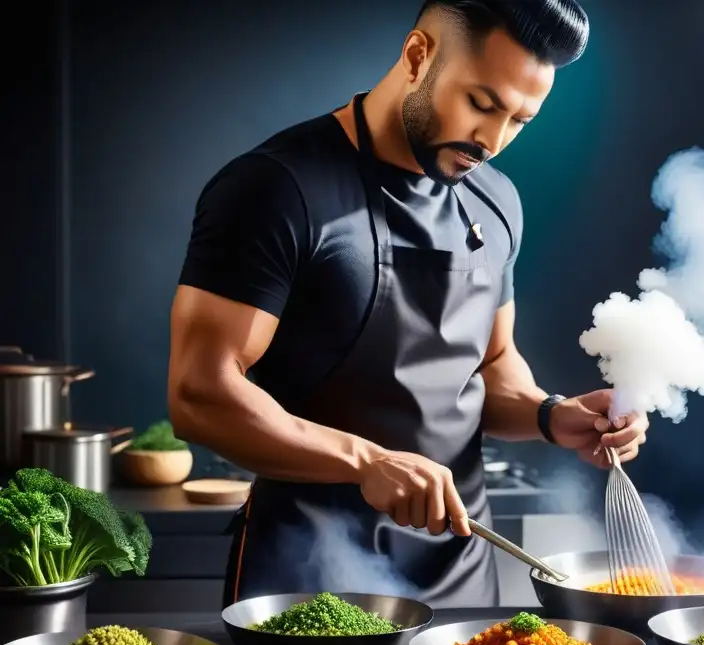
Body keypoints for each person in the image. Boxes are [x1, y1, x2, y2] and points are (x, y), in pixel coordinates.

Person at [168, 0, 651, 610]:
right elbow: (199, 393)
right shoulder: (277, 188)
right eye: (481, 104)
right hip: (309, 577)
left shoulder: (497, 202)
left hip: (463, 572)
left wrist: (553, 415)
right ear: (419, 56)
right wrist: (366, 461)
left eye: (520, 120)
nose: (493, 141)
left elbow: (492, 367)